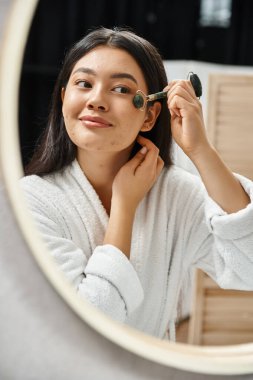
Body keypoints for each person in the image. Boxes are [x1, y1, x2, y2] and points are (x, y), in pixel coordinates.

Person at [20, 27, 253, 341]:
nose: (96, 100)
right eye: (84, 83)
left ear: (149, 115)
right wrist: (124, 207)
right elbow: (87, 326)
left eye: (120, 89)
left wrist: (201, 151)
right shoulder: (30, 202)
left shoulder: (175, 195)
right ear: (64, 97)